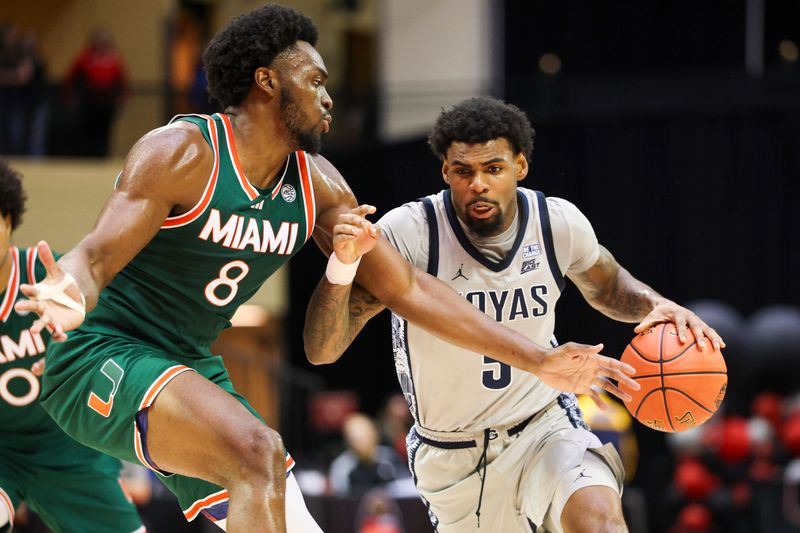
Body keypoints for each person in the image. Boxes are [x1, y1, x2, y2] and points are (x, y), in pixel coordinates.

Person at [16, 5, 636, 532]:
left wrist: (538, 360)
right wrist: (69, 288)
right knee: (258, 452)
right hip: (103, 351)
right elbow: (94, 254)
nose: (328, 95)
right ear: (266, 81)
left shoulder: (318, 185)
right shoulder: (182, 152)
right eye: (313, 79)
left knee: (285, 506)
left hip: (187, 363)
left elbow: (409, 289)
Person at [305, 96, 725, 532]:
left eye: (494, 168)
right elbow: (323, 350)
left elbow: (609, 284)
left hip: (544, 425)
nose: (478, 184)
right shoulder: (411, 232)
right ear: (446, 172)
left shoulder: (556, 222)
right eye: (464, 172)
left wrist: (658, 304)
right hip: (453, 456)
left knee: (601, 521)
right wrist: (342, 266)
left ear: (520, 166)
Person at [0, 160, 144, 533]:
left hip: (67, 445)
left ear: (7, 219)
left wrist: (77, 361)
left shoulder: (50, 280)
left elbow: (124, 342)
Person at [63, 28, 128, 156]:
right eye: (99, 41)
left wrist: (122, 99)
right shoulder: (85, 57)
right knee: (87, 133)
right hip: (88, 102)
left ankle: (101, 157)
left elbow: (122, 82)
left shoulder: (114, 59)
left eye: (104, 41)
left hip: (107, 104)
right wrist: (70, 96)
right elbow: (71, 77)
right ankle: (86, 158)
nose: (101, 44)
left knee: (104, 133)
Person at [328, 412, 408, 498]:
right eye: (355, 439)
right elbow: (339, 498)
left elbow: (406, 487)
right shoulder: (342, 467)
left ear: (374, 435)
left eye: (364, 437)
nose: (359, 443)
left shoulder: (389, 458)